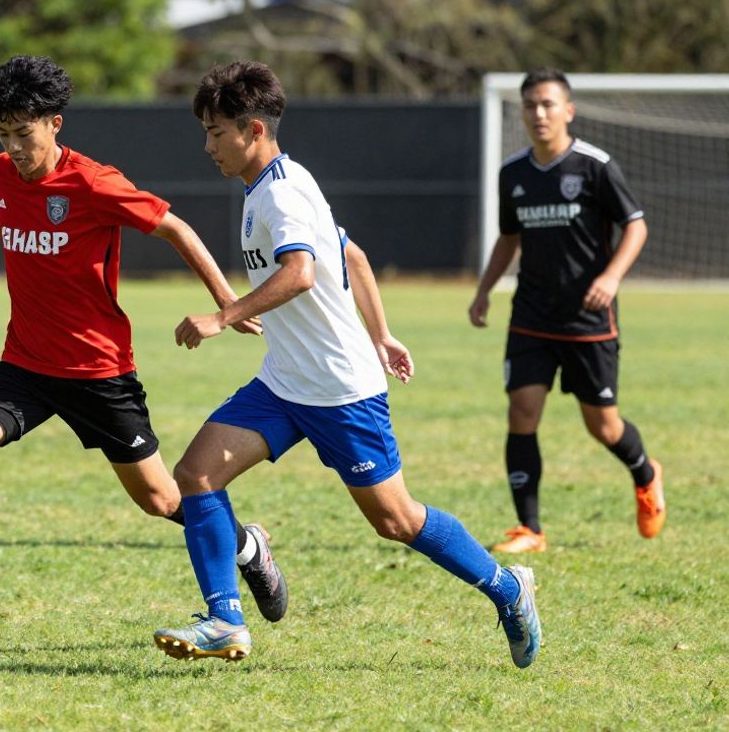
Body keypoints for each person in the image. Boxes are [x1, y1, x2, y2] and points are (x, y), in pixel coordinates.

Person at [0, 55, 286, 640]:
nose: (14, 146)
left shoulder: (94, 183)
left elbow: (175, 227)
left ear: (55, 124)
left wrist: (225, 304)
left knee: (161, 499)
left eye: (25, 132)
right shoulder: (2, 175)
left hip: (98, 373)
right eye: (3, 133)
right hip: (25, 366)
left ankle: (247, 545)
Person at [152, 60, 541, 668]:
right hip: (284, 382)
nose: (208, 146)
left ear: (254, 130)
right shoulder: (271, 184)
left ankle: (507, 587)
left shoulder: (282, 191)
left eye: (217, 132)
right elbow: (351, 254)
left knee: (397, 520)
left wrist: (223, 316)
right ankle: (225, 619)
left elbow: (301, 273)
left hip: (339, 391)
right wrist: (383, 335)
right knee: (198, 476)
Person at [469, 68, 664, 554]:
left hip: (588, 319)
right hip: (532, 314)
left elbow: (635, 226)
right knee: (522, 411)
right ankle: (529, 529)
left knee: (603, 426)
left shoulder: (595, 167)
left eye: (548, 104)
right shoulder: (512, 173)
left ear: (568, 111)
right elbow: (509, 238)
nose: (539, 113)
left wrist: (611, 276)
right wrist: (484, 290)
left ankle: (645, 472)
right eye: (531, 105)